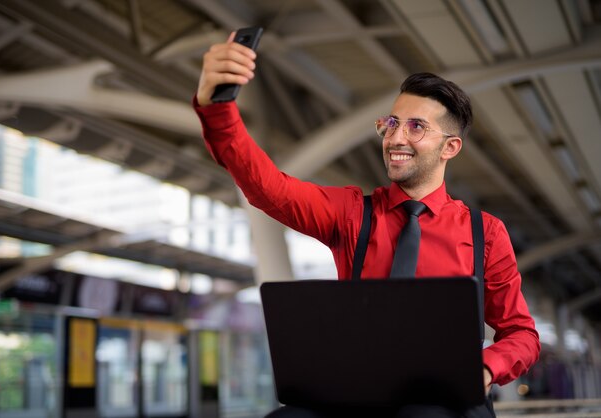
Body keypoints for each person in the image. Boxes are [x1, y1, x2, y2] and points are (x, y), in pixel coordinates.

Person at [193, 32, 540, 418]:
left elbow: (521, 334)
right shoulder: (353, 213)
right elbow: (268, 188)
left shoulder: (485, 232)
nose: (395, 137)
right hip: (361, 394)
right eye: (391, 123)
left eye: (415, 127)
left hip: (447, 399)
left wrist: (486, 368)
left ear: (450, 147)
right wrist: (217, 106)